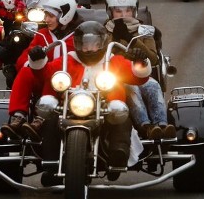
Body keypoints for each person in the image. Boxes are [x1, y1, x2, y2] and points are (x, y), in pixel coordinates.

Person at [36, 21, 151, 171]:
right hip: (70, 107)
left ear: (103, 43)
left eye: (94, 44)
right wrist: (38, 58)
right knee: (51, 120)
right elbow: (45, 73)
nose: (89, 49)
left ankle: (119, 152)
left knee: (121, 116)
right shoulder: (68, 60)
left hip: (106, 107)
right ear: (77, 44)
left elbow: (138, 77)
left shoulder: (113, 60)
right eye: (84, 44)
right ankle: (50, 162)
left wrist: (140, 61)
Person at [1, 0, 81, 140]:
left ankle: (41, 119)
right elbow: (21, 62)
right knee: (25, 71)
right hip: (43, 79)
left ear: (65, 16)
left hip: (69, 84)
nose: (46, 19)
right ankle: (18, 116)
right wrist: (33, 58)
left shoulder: (78, 37)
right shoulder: (42, 35)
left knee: (55, 73)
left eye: (50, 16)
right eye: (46, 15)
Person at [103, 0, 175, 139]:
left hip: (142, 75)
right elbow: (100, 55)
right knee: (131, 87)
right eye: (118, 11)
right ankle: (146, 127)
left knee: (153, 85)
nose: (123, 15)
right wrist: (114, 37)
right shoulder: (103, 31)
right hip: (115, 79)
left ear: (134, 11)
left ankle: (162, 125)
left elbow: (154, 59)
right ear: (110, 12)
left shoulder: (145, 31)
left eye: (127, 10)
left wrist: (132, 40)